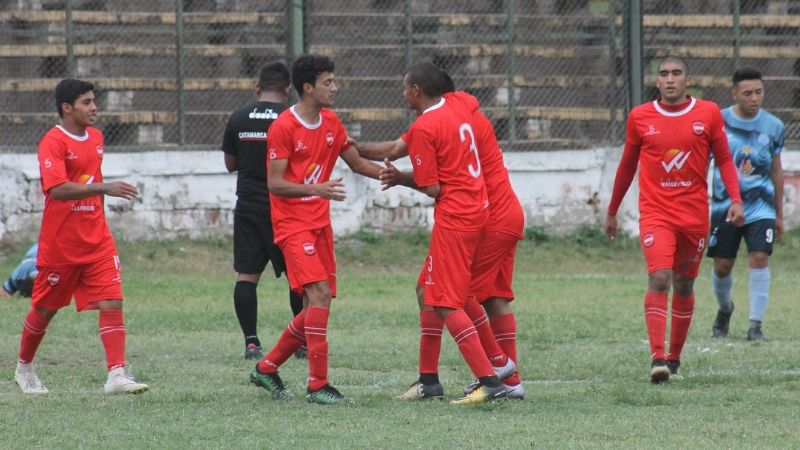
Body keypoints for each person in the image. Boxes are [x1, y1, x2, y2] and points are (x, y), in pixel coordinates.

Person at [353, 71, 524, 401]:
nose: (403, 94)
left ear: (418, 90)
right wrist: (354, 147)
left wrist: (399, 177)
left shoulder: (430, 125)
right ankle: (431, 381)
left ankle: (498, 372)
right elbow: (397, 147)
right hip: (490, 212)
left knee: (452, 296)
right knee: (437, 290)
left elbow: (433, 184)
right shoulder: (459, 107)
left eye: (405, 88)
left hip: (483, 215)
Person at [248, 54, 386, 404]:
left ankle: (266, 368)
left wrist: (400, 177)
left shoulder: (331, 122)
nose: (335, 87)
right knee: (319, 295)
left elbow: (357, 163)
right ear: (308, 88)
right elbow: (275, 183)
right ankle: (317, 385)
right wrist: (316, 189)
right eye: (328, 82)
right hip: (292, 226)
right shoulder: (283, 127)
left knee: (317, 304)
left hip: (320, 224)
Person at [604, 56, 745, 383]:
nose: (670, 79)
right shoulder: (640, 117)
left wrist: (736, 200)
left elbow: (724, 159)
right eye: (664, 74)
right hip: (657, 214)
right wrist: (612, 210)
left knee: (684, 283)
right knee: (660, 279)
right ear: (657, 81)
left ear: (688, 79)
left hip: (694, 216)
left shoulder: (708, 113)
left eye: (676, 73)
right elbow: (627, 166)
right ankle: (658, 359)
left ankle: (675, 360)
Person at [14, 79, 149, 394]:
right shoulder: (53, 142)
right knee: (45, 309)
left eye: (94, 101)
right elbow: (57, 189)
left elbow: (92, 182)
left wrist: (98, 217)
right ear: (67, 108)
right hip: (61, 244)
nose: (94, 107)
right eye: (86, 102)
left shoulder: (97, 138)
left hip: (97, 240)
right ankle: (24, 367)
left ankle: (116, 374)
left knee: (112, 299)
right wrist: (104, 187)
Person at [222, 61, 305, 360]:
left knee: (247, 275)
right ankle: (301, 342)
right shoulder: (292, 118)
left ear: (257, 87)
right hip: (283, 207)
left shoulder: (238, 117)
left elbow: (230, 164)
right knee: (298, 278)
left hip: (248, 205)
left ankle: (251, 342)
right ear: (288, 89)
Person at [708, 67, 784, 342]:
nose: (754, 98)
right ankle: (725, 308)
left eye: (759, 92)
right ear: (734, 94)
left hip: (761, 205)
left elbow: (776, 170)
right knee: (722, 265)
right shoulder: (718, 121)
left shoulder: (774, 126)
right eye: (748, 93)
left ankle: (755, 325)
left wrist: (779, 213)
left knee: (760, 258)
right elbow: (703, 161)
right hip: (725, 205)